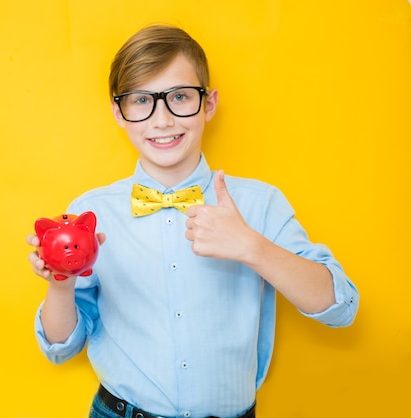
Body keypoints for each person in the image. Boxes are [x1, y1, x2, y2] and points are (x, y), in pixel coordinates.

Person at [27, 24, 359, 418]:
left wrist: (252, 247)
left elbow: (341, 308)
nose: (162, 120)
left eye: (180, 97)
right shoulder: (91, 213)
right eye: (141, 100)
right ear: (119, 112)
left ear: (209, 104)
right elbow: (62, 347)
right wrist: (60, 284)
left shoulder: (258, 203)